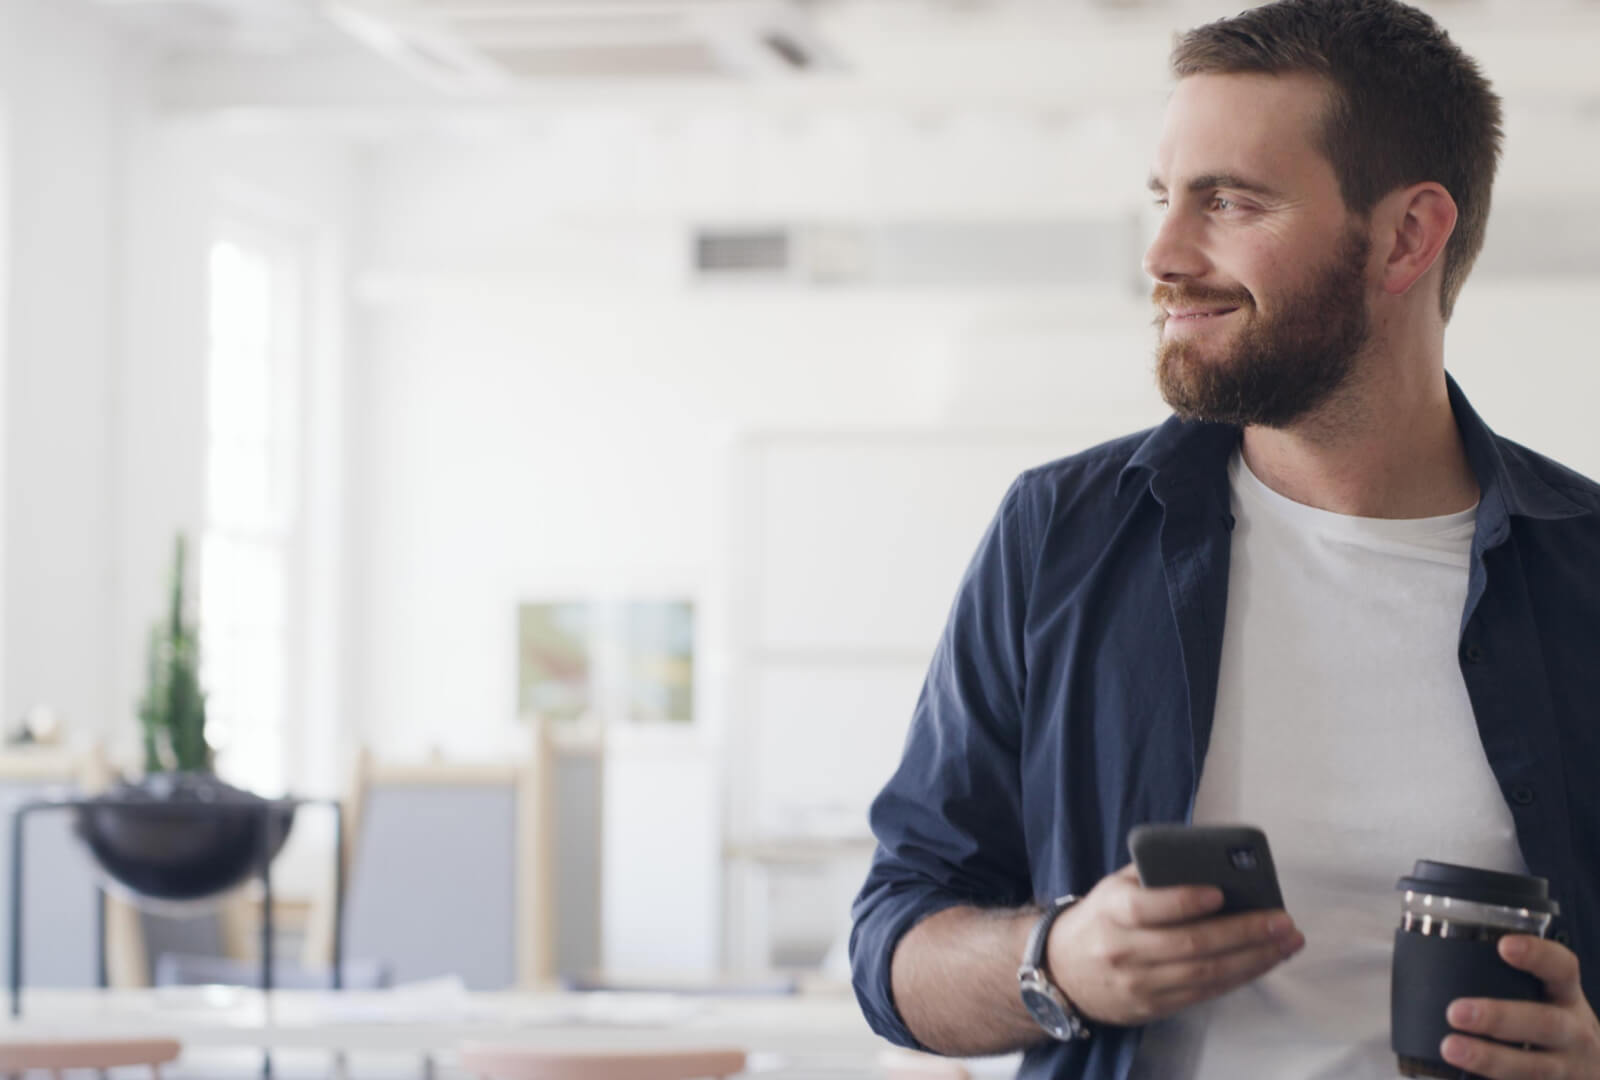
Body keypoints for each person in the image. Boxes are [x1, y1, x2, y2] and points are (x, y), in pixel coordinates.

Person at [848, 1, 1600, 1077]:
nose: (1160, 252)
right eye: (1165, 197)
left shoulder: (1585, 574)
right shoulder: (1057, 538)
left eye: (1228, 201)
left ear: (1406, 236)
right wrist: (1056, 961)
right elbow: (893, 945)